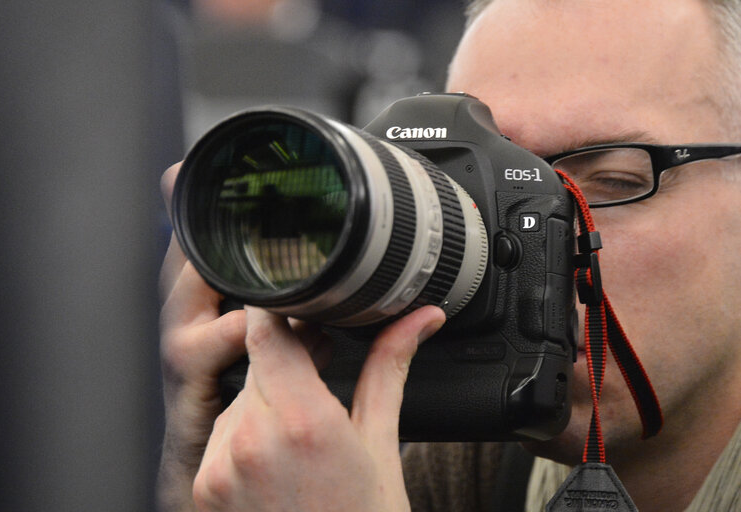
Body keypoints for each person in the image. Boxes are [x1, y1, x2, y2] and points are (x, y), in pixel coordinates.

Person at [156, 0, 741, 510]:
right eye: (483, 186)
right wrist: (204, 472)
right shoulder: (417, 470)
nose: (542, 233)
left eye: (611, 180)